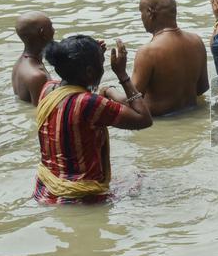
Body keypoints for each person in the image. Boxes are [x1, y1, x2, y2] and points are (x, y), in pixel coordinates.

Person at [34, 36, 153, 205]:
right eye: (101, 64)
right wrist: (122, 74)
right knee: (140, 176)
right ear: (89, 71)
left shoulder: (48, 89)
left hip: (45, 189)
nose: (103, 69)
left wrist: (92, 56)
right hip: (80, 198)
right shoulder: (89, 103)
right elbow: (144, 119)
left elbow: (77, 101)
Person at [132, 0, 209, 116]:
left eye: (141, 12)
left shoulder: (147, 52)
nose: (141, 18)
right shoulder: (197, 41)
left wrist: (111, 86)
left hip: (159, 124)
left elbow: (132, 101)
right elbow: (202, 89)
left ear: (150, 13)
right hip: (191, 117)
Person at [12, 12, 55, 106]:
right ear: (42, 32)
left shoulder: (19, 63)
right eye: (51, 27)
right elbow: (41, 114)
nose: (54, 30)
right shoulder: (38, 76)